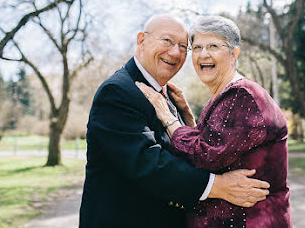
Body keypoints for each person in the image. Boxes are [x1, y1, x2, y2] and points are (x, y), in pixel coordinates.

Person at [79, 14, 270, 228]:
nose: (176, 52)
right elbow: (148, 162)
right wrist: (219, 186)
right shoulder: (117, 91)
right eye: (167, 41)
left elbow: (185, 155)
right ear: (141, 40)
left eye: (183, 46)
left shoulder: (167, 94)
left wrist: (188, 121)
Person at [137, 15, 292, 228]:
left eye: (213, 46)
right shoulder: (225, 97)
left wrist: (168, 118)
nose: (204, 54)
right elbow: (216, 146)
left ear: (233, 53)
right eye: (197, 47)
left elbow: (202, 157)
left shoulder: (242, 96)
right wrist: (189, 119)